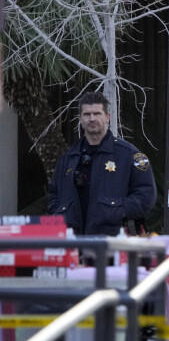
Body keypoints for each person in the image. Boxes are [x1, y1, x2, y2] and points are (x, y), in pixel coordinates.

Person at [48, 91, 157, 236]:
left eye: (97, 113)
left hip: (113, 241)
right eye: (87, 114)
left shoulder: (128, 155)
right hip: (73, 241)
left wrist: (116, 211)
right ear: (80, 118)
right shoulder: (69, 158)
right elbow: (53, 195)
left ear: (107, 117)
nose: (92, 119)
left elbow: (146, 196)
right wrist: (60, 214)